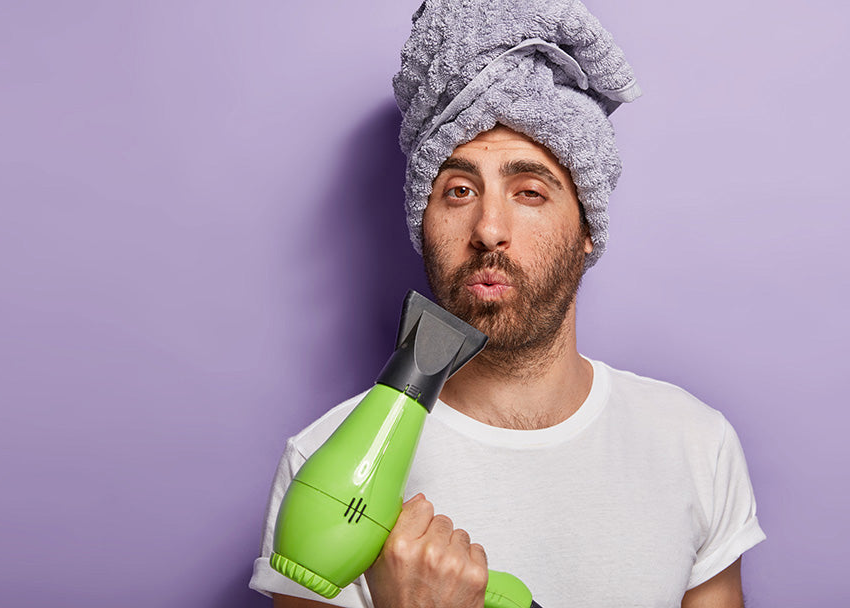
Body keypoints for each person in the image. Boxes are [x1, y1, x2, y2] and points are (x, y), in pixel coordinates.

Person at [250, 1, 765, 606]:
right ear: (423, 224)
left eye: (530, 191)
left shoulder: (694, 445)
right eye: (459, 190)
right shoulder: (320, 457)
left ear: (587, 227)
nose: (489, 227)